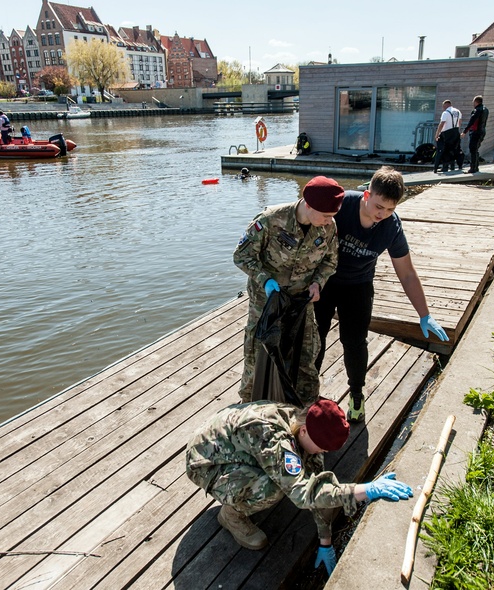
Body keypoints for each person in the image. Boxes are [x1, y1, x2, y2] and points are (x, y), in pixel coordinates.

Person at [185, 398, 413, 574]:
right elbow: (303, 494)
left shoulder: (303, 424)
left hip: (236, 449)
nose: (322, 453)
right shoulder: (274, 438)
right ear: (304, 431)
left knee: (291, 475)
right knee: (271, 488)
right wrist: (365, 490)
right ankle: (232, 515)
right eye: (321, 447)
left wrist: (325, 541)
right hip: (207, 462)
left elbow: (316, 482)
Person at [314, 167, 447, 422]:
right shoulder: (341, 205)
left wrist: (424, 314)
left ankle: (356, 394)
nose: (382, 214)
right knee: (314, 339)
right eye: (378, 207)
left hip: (358, 285)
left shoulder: (391, 228)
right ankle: (309, 392)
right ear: (366, 194)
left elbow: (407, 273)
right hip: (324, 282)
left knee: (354, 342)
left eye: (389, 210)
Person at [233, 177, 343, 405]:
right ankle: (246, 410)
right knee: (257, 359)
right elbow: (242, 256)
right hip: (266, 305)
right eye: (324, 216)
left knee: (306, 361)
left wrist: (318, 283)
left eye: (331, 216)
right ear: (308, 205)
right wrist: (265, 280)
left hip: (301, 304)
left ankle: (304, 416)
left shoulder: (328, 227)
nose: (328, 221)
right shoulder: (271, 220)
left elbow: (330, 262)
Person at [432, 100, 462, 173]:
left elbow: (442, 124)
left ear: (446, 105)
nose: (443, 108)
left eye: (443, 106)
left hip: (447, 133)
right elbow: (460, 121)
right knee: (453, 149)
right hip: (456, 131)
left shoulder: (445, 113)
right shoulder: (458, 111)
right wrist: (458, 130)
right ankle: (452, 166)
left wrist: (437, 134)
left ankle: (444, 167)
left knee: (445, 150)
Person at [461, 95, 488, 173]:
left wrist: (464, 132)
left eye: (473, 102)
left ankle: (473, 168)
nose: (473, 103)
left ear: (476, 102)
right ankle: (476, 167)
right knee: (476, 149)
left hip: (476, 132)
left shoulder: (477, 110)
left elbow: (472, 122)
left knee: (473, 150)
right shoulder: (485, 109)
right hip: (482, 131)